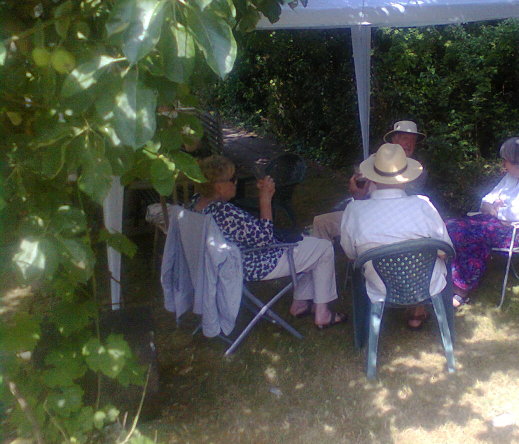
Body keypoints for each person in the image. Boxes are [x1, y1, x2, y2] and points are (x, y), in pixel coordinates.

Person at [190, 155, 347, 329]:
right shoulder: (224, 212)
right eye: (232, 179)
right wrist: (265, 199)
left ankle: (301, 304)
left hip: (221, 263)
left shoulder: (196, 204)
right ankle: (322, 314)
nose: (236, 182)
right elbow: (264, 238)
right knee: (323, 248)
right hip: (250, 263)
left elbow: (248, 234)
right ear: (219, 187)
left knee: (310, 245)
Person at [340, 143, 452, 329]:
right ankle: (418, 310)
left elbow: (351, 255)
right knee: (432, 257)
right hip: (427, 284)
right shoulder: (423, 205)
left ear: (371, 179)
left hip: (380, 287)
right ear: (406, 178)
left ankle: (410, 312)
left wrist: (358, 201)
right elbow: (444, 249)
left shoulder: (354, 210)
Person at [446, 137, 519, 307]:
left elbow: (516, 214)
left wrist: (496, 210)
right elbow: (486, 200)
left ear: (517, 162)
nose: (503, 164)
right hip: (498, 224)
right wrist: (495, 209)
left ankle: (461, 289)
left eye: (505, 160)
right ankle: (449, 278)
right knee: (449, 226)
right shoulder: (512, 175)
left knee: (467, 234)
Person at [311, 120, 428, 241]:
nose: (409, 144)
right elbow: (360, 186)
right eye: (405, 138)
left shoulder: (417, 171)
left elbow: (407, 203)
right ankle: (323, 253)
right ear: (394, 140)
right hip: (365, 213)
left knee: (354, 230)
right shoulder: (375, 160)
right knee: (321, 222)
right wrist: (358, 196)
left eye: (413, 140)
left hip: (392, 221)